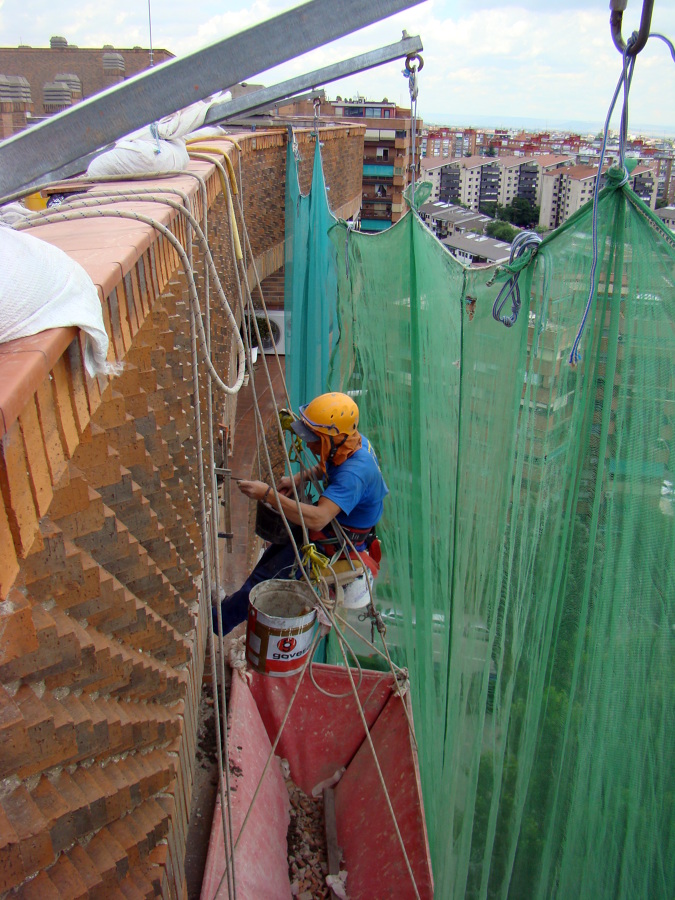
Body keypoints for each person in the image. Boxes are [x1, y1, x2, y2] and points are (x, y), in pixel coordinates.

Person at [213, 391, 389, 635]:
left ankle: (219, 622)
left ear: (333, 438)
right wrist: (298, 477)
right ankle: (227, 608)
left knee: (266, 579)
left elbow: (318, 518)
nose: (308, 444)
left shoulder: (354, 475)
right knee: (268, 564)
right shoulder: (353, 443)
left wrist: (267, 494)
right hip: (334, 526)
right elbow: (326, 465)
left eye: (314, 438)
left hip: (330, 539)